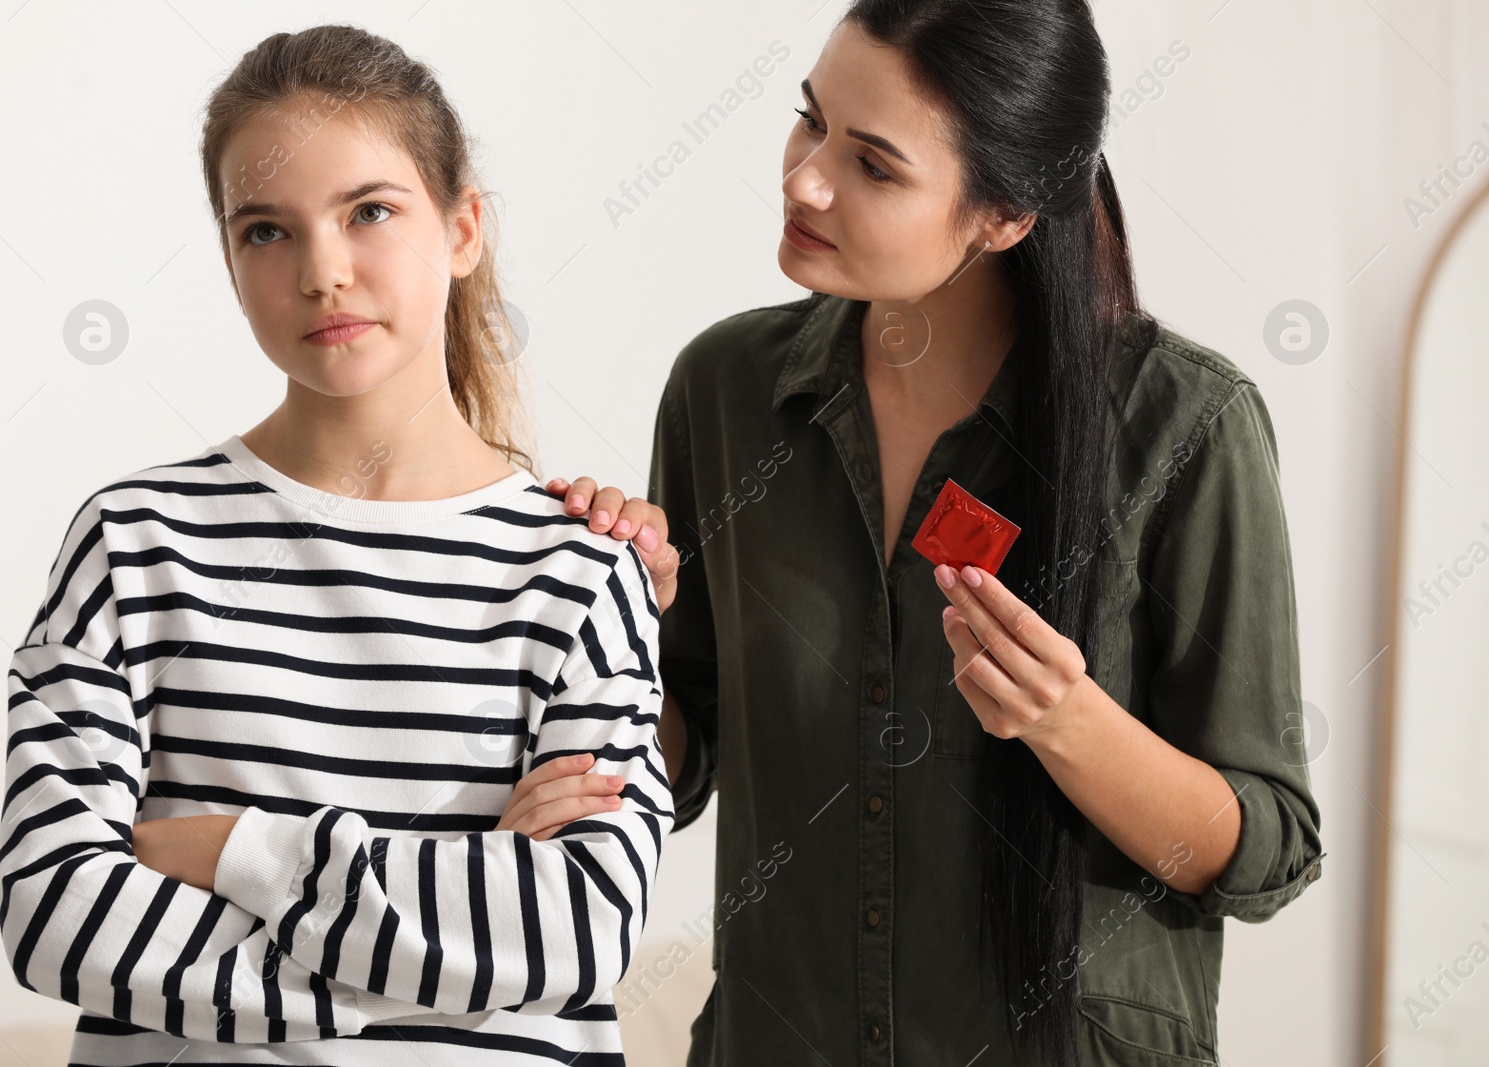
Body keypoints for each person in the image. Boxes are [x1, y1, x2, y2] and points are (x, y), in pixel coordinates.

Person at [544, 0, 1324, 1063]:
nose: (804, 178)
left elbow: (1263, 845)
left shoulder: (1185, 426)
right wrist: (609, 623)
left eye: (872, 164)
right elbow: (680, 759)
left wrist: (1066, 720)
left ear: (1005, 213)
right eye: (808, 121)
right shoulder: (723, 391)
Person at [0, 25, 670, 1065]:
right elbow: (54, 910)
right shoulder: (134, 543)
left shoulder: (583, 567)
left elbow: (576, 928)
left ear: (462, 228)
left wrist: (235, 848)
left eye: (370, 212)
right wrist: (448, 944)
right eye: (266, 230)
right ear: (227, 256)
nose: (323, 271)